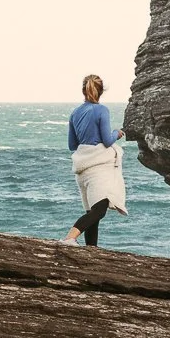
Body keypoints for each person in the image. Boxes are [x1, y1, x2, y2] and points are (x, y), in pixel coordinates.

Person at [65, 74, 128, 247]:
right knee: (99, 210)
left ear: (83, 90)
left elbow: (72, 145)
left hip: (82, 168)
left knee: (92, 212)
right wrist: (117, 133)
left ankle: (91, 250)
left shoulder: (75, 113)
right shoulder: (102, 110)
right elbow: (107, 141)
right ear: (101, 91)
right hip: (97, 167)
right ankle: (70, 238)